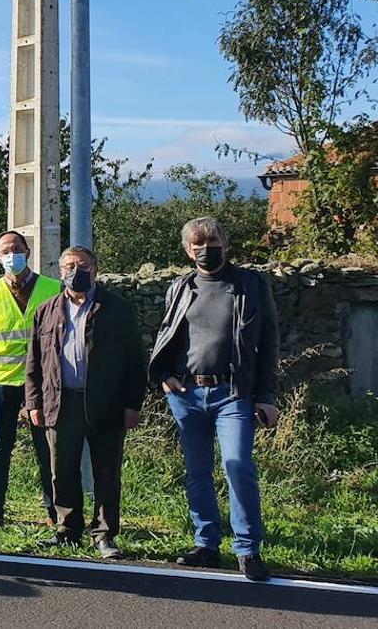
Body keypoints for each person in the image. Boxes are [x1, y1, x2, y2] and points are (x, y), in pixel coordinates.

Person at [150, 217, 280, 581]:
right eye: (198, 244)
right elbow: (167, 336)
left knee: (238, 465)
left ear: (225, 243)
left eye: (213, 241)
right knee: (197, 472)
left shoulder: (250, 284)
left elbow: (269, 342)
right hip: (187, 394)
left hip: (234, 394)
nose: (206, 248)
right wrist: (164, 377)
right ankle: (207, 544)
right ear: (187, 250)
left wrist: (266, 395)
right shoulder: (181, 287)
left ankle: (248, 549)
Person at [25, 246, 145, 560]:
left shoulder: (116, 309)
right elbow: (34, 362)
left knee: (106, 471)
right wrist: (33, 402)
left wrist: (133, 404)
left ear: (95, 270)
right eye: (68, 266)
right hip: (60, 401)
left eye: (82, 265)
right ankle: (68, 529)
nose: (74, 271)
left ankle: (104, 534)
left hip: (106, 404)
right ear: (59, 270)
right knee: (61, 470)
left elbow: (135, 359)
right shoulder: (47, 310)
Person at [0, 230, 59, 528]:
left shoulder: (53, 288)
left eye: (17, 248)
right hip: (3, 381)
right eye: (5, 251)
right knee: (0, 445)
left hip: (42, 383)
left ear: (27, 250)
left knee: (46, 447)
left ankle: (54, 512)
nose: (12, 254)